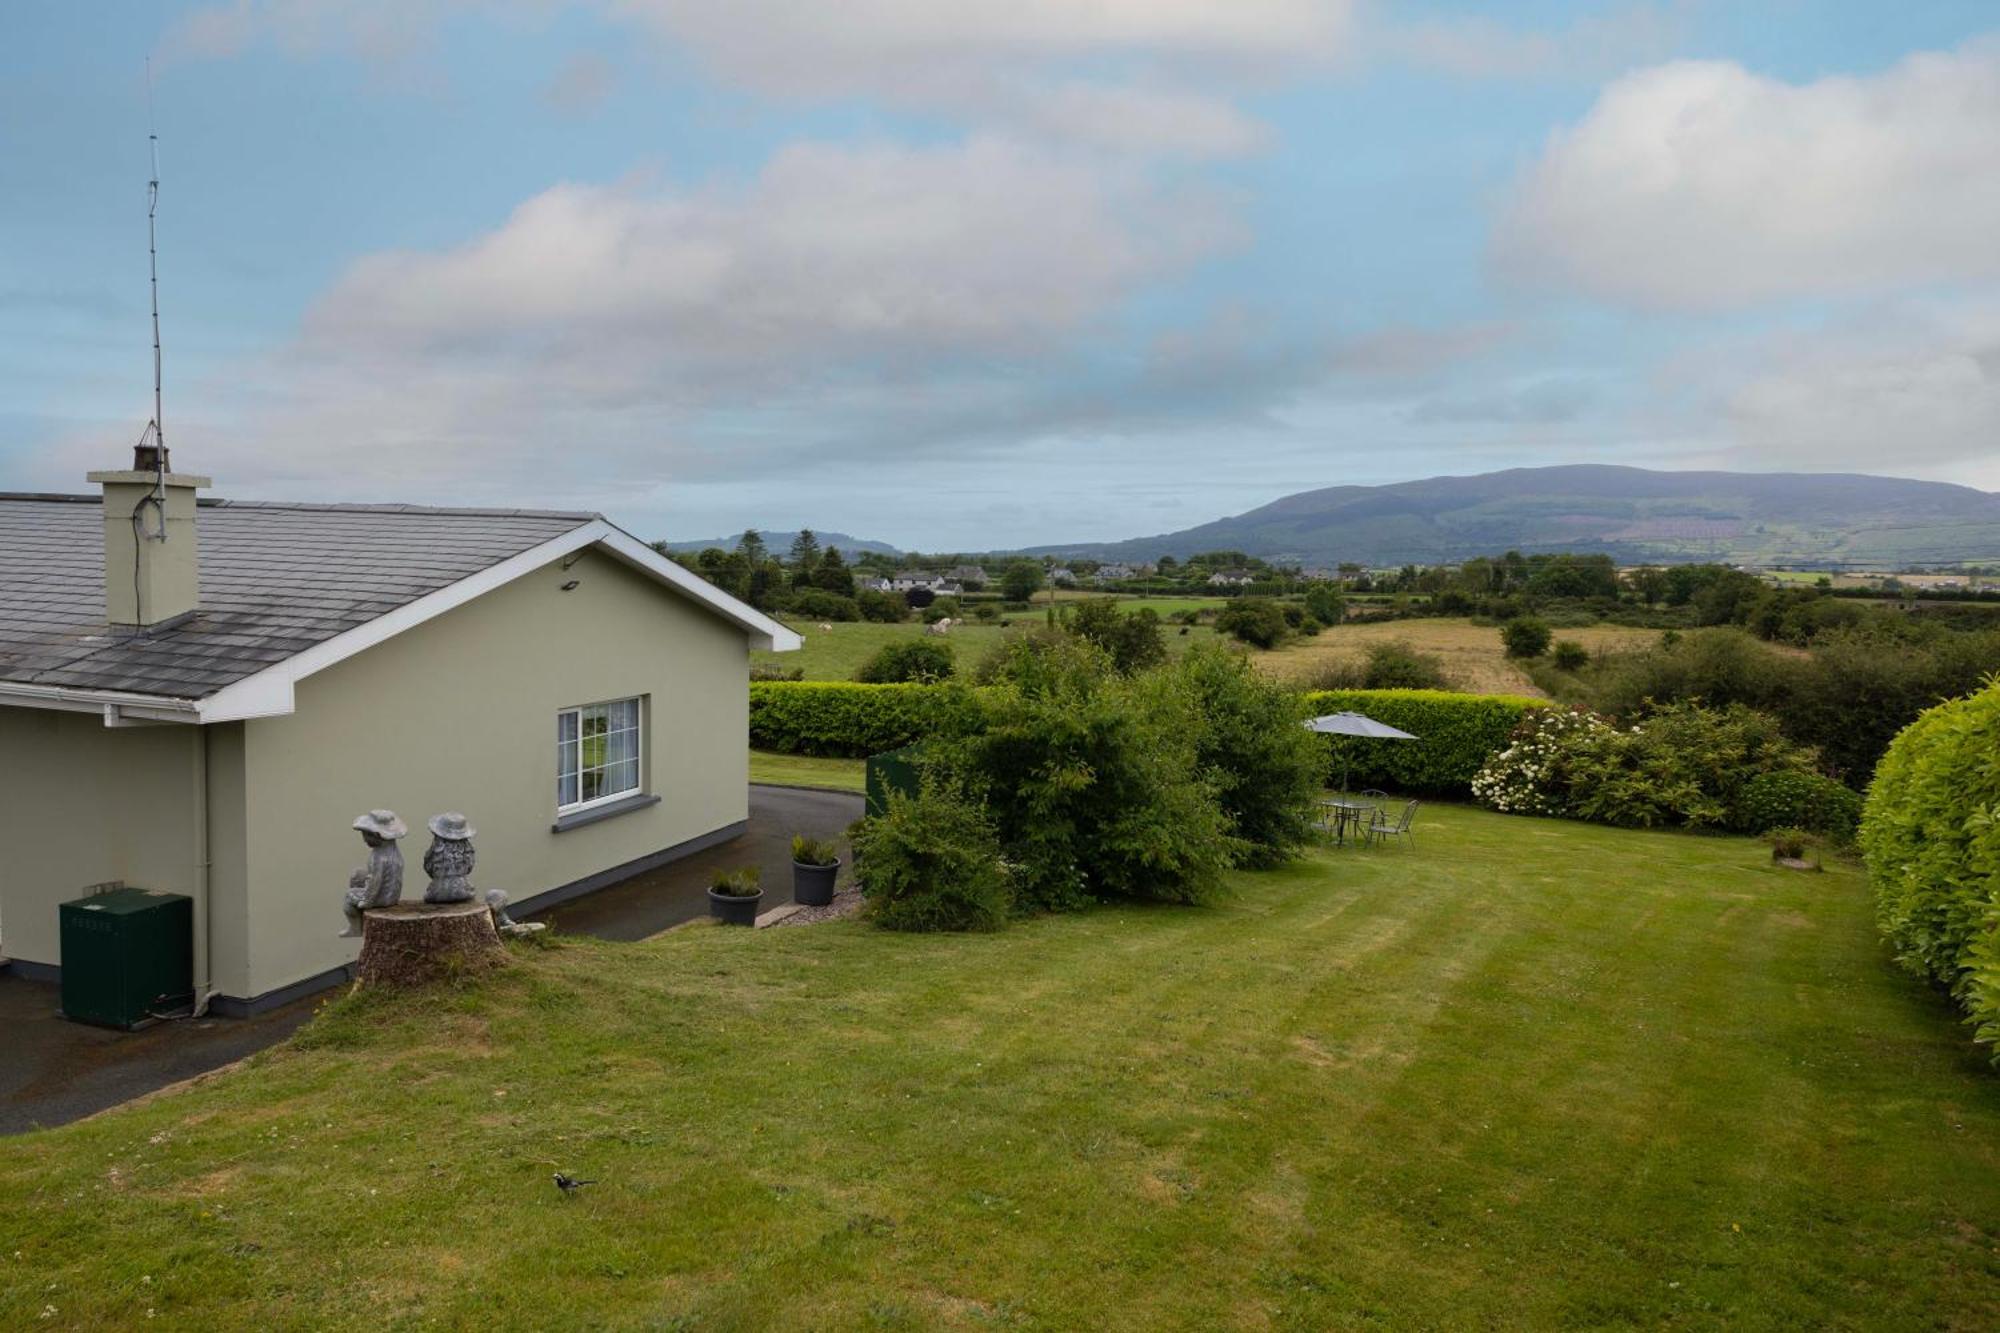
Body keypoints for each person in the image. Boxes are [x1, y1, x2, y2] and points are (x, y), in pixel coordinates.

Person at [340, 810, 407, 937]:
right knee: (358, 874)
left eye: (366, 835)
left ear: (377, 835)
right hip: (393, 895)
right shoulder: (394, 852)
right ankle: (362, 921)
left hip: (381, 898)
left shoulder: (378, 857)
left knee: (349, 897)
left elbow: (375, 881)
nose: (364, 839)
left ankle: (355, 928)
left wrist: (367, 900)